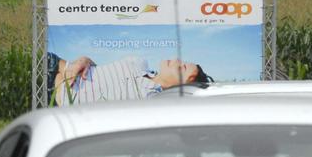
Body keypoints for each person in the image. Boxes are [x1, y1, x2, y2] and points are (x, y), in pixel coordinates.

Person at [47, 53, 212, 105]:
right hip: (54, 64)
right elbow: (102, 76)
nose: (176, 60)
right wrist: (86, 61)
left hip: (51, 98)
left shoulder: (149, 102)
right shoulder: (140, 63)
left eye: (181, 67)